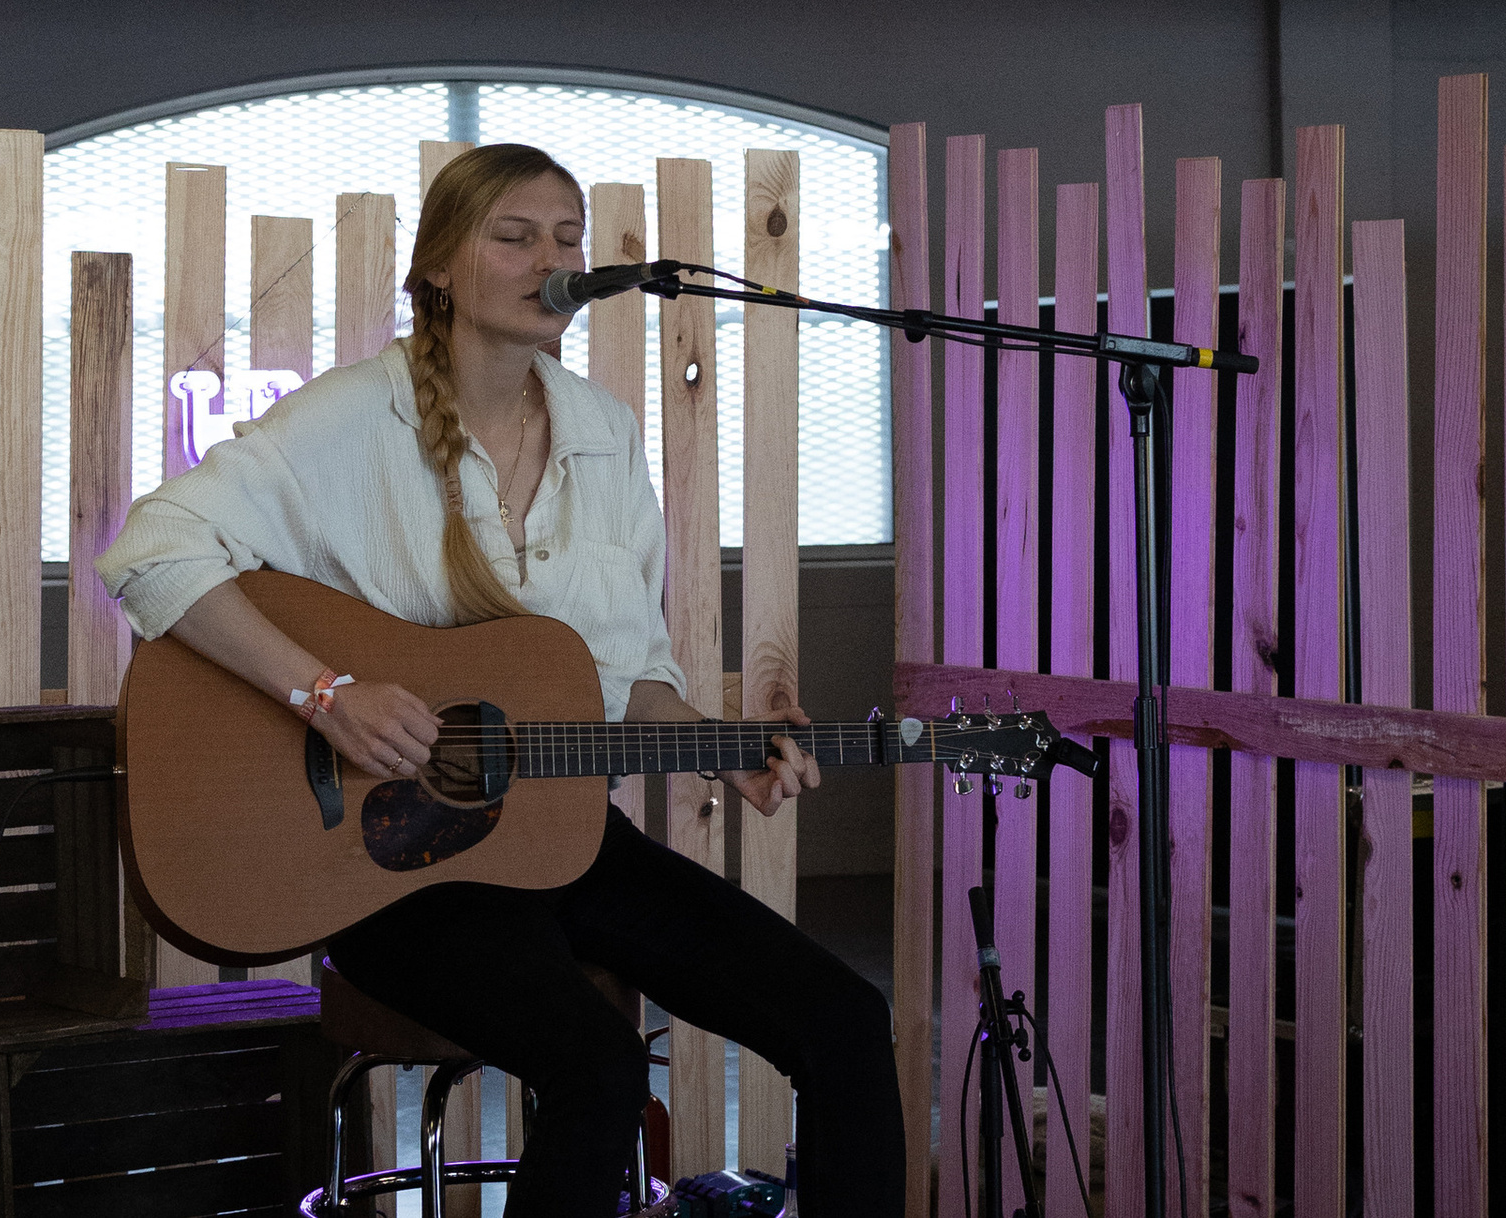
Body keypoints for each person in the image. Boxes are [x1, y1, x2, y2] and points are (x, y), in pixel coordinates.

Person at [98, 142, 904, 1216]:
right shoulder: (352, 419)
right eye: (514, 236)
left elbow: (628, 682)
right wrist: (325, 694)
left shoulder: (604, 436)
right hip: (394, 872)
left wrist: (717, 740)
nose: (550, 260)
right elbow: (151, 549)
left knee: (844, 1019)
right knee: (599, 1066)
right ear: (440, 266)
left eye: (566, 239)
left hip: (564, 839)